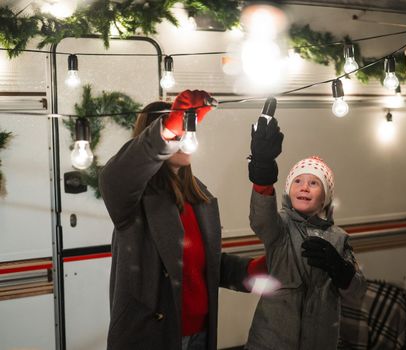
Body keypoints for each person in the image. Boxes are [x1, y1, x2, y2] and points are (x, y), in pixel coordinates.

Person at [99, 90, 264, 350]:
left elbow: (202, 267)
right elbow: (115, 176)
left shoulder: (200, 198)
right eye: (179, 131)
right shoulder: (135, 199)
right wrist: (169, 128)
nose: (185, 137)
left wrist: (252, 270)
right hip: (151, 337)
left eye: (188, 130)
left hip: (199, 334)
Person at [245, 116, 366, 350]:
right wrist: (263, 173)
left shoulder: (339, 238)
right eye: (298, 181)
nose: (304, 187)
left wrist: (341, 270)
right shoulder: (280, 228)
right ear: (289, 190)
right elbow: (261, 219)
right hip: (272, 341)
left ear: (325, 197)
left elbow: (357, 291)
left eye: (314, 183)